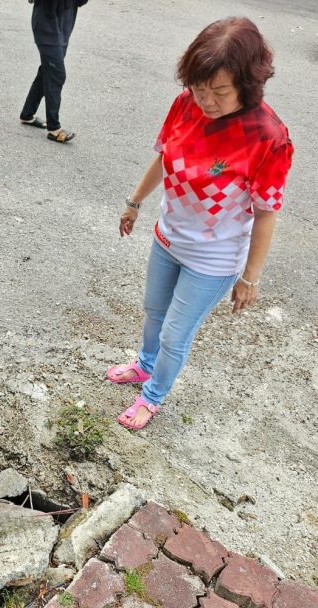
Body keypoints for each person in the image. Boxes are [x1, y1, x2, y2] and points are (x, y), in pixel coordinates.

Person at [107, 17, 293, 430]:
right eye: (199, 88)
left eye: (220, 92)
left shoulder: (268, 136)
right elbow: (164, 156)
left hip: (214, 255)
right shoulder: (185, 104)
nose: (206, 101)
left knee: (176, 332)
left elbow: (266, 211)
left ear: (248, 83)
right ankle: (144, 365)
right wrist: (134, 202)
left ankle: (152, 396)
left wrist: (250, 278)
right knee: (154, 311)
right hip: (168, 236)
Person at [20, 0, 88, 143]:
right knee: (56, 74)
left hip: (64, 26)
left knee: (48, 71)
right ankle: (54, 129)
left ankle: (27, 114)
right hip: (46, 28)